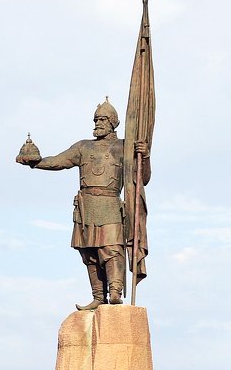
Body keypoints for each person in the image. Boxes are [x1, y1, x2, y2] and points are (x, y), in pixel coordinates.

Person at [19, 99, 150, 310]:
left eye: (103, 119)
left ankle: (115, 292)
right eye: (96, 119)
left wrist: (145, 156)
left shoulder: (124, 147)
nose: (98, 123)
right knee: (89, 253)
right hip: (85, 207)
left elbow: (142, 177)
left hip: (109, 203)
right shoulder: (83, 146)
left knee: (112, 250)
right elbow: (58, 162)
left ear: (113, 122)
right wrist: (35, 162)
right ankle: (99, 296)